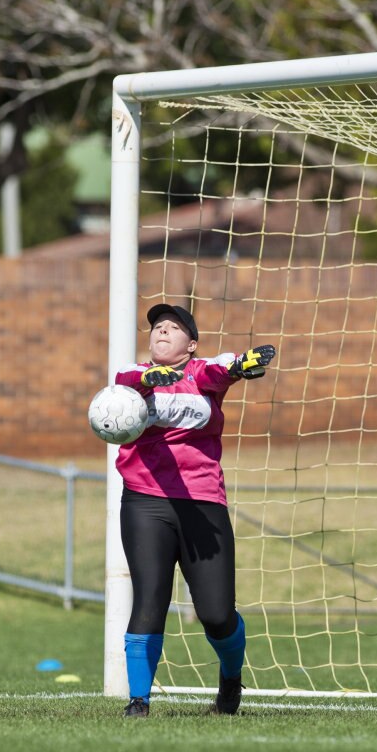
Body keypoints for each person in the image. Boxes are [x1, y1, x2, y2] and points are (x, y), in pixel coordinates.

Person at [114, 303, 276, 718]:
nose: (162, 333)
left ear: (191, 345)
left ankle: (230, 680)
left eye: (173, 328)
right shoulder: (132, 378)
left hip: (203, 503)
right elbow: (128, 382)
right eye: (157, 328)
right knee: (149, 598)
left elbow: (220, 371)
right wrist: (148, 379)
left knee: (216, 614)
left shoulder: (202, 374)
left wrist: (242, 366)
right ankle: (138, 701)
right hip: (145, 501)